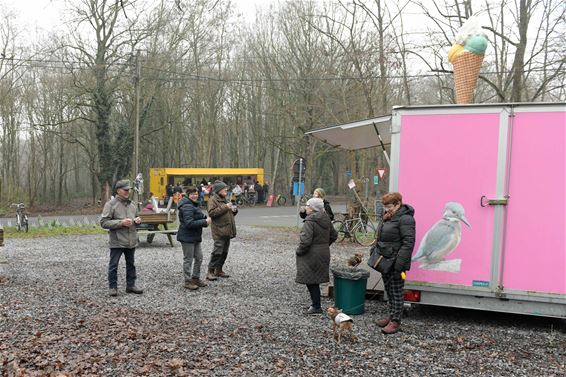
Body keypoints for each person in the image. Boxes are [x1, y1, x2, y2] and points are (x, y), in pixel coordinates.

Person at [375, 192, 416, 334]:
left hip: (397, 263)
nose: (386, 209)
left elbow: (408, 243)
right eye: (385, 206)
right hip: (386, 261)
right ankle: (391, 316)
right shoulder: (389, 217)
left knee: (397, 292)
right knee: (389, 291)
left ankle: (396, 322)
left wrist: (400, 265)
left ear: (398, 204)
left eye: (389, 206)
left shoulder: (405, 219)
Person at [100, 180, 143, 297]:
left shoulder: (132, 204)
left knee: (131, 264)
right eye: (125, 190)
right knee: (113, 265)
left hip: (131, 239)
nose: (127, 192)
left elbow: (137, 217)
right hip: (117, 241)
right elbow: (103, 222)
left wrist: (138, 221)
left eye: (128, 190)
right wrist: (121, 223)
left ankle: (131, 285)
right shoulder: (110, 204)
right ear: (118, 191)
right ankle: (112, 287)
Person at [296, 198, 338, 314]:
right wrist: (324, 245)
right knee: (315, 280)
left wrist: (299, 251)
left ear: (313, 209)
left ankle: (316, 306)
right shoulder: (326, 219)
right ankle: (315, 304)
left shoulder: (310, 222)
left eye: (308, 206)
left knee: (311, 280)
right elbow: (334, 235)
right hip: (323, 252)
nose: (306, 207)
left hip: (311, 254)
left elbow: (305, 241)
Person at [177, 186, 211, 290]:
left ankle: (195, 278)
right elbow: (189, 223)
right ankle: (187, 281)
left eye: (196, 194)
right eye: (192, 194)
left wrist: (205, 218)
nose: (195, 196)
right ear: (188, 195)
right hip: (187, 237)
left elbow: (198, 216)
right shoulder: (187, 206)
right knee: (188, 259)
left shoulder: (193, 205)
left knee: (199, 257)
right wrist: (205, 222)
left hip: (195, 236)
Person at [206, 181, 238, 280]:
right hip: (219, 230)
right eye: (224, 189)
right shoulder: (212, 200)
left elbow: (228, 213)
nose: (226, 190)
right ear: (219, 190)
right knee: (217, 252)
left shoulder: (225, 199)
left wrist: (234, 210)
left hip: (227, 230)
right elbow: (211, 213)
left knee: (224, 252)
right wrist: (225, 207)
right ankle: (210, 272)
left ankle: (218, 270)